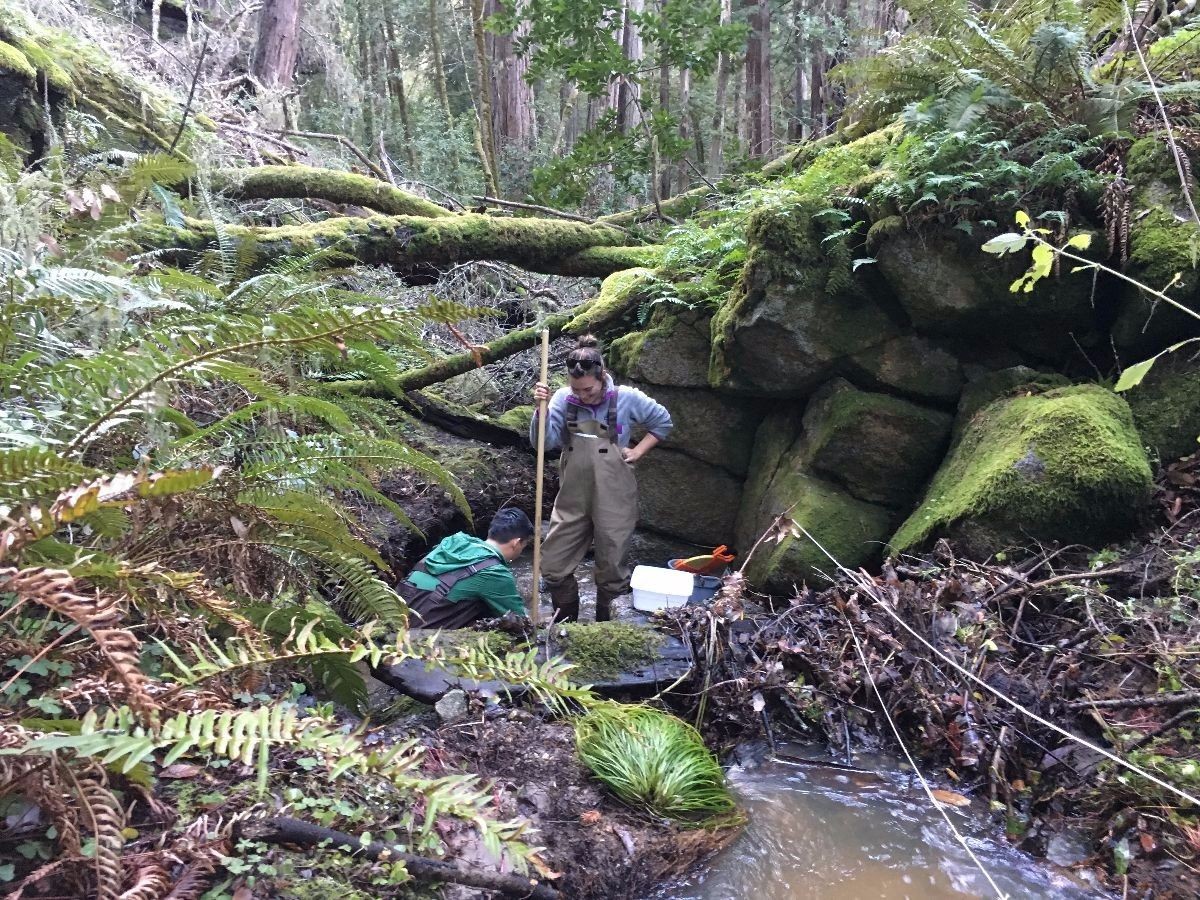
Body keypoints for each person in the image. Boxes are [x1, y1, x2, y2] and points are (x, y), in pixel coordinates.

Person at [531, 334, 672, 622]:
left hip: (614, 495)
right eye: (577, 389)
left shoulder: (627, 398)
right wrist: (540, 410)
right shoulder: (561, 399)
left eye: (589, 389)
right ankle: (565, 626)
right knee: (553, 565)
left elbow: (663, 421)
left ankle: (605, 631)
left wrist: (638, 451)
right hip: (573, 496)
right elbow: (542, 443)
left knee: (611, 571)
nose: (583, 395)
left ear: (602, 376)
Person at [401, 508, 533, 629]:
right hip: (421, 638)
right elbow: (520, 623)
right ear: (516, 543)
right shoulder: (495, 572)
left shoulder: (454, 542)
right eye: (524, 545)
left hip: (396, 618)